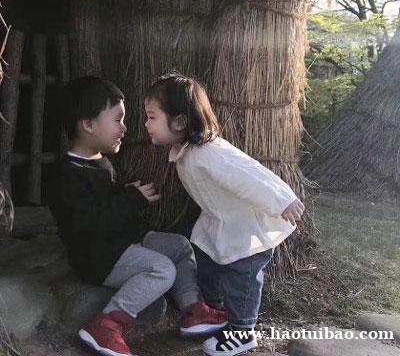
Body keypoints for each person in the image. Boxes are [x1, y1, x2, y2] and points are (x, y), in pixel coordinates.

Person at [49, 76, 227, 356]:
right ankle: (107, 324)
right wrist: (130, 199)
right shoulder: (67, 174)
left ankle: (193, 310)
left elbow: (104, 204)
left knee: (180, 246)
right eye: (117, 120)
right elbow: (88, 223)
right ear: (89, 125)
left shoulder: (101, 163)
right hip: (98, 258)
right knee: (162, 269)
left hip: (121, 243)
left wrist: (126, 194)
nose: (124, 128)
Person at [144, 73, 305, 356]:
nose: (146, 124)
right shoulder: (187, 151)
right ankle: (214, 313)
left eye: (152, 117)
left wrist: (282, 200)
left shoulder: (210, 154)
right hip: (219, 223)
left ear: (179, 122)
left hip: (244, 232)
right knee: (208, 264)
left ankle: (242, 333)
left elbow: (250, 174)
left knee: (241, 281)